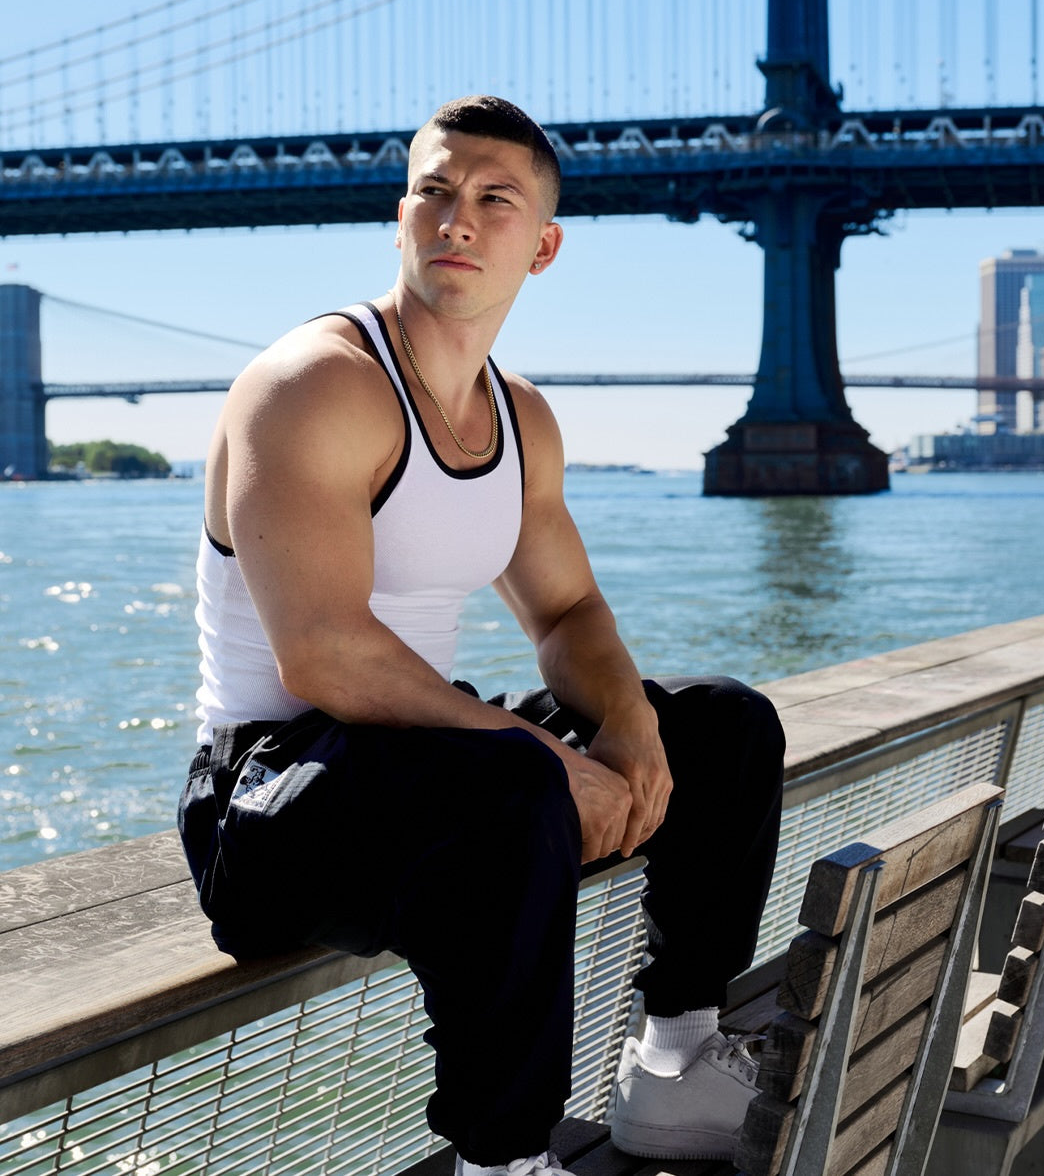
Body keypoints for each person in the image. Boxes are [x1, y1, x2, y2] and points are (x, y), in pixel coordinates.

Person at [178, 95, 785, 1176]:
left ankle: (675, 1062)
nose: (458, 218)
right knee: (512, 786)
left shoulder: (519, 417)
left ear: (542, 246)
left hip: (417, 763)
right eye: (436, 191)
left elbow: (566, 612)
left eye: (496, 199)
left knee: (722, 726)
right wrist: (546, 756)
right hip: (264, 807)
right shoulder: (314, 384)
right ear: (401, 219)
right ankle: (502, 1159)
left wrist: (629, 724)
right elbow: (323, 651)